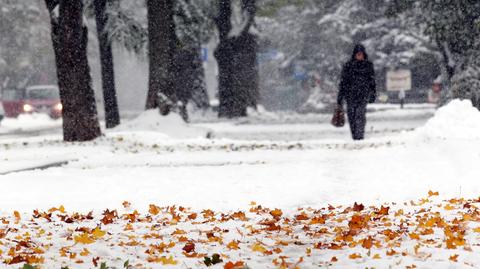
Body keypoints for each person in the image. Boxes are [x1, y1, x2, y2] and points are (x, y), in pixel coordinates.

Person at [337, 44, 376, 140]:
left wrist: (372, 94)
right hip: (350, 96)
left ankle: (359, 135)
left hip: (363, 95)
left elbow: (372, 81)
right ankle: (355, 135)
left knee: (360, 115)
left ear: (364, 54)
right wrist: (340, 98)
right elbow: (343, 82)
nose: (359, 56)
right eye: (358, 54)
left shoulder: (368, 66)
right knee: (351, 116)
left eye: (361, 54)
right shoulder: (348, 66)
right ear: (354, 54)